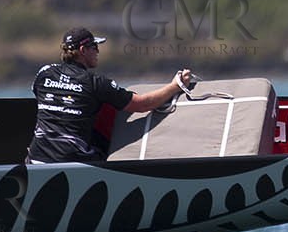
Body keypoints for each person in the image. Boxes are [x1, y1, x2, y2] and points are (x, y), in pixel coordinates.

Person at [25, 27, 194, 164]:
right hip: (73, 161)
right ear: (83, 50)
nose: (98, 51)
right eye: (94, 47)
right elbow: (142, 105)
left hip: (36, 159)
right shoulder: (96, 83)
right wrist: (175, 86)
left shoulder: (44, 73)